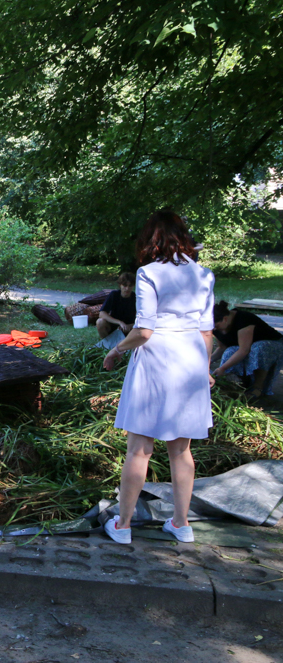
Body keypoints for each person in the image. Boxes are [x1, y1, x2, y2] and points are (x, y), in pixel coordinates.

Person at [102, 209, 215, 546]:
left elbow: (145, 330)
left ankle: (123, 526)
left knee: (139, 449)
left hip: (157, 360)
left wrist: (116, 349)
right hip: (191, 360)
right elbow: (207, 331)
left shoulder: (148, 273)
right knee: (182, 451)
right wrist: (205, 369)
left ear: (151, 240)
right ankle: (181, 524)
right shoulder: (204, 274)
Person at [211, 301, 283, 398]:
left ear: (225, 319)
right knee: (230, 352)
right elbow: (222, 348)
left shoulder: (243, 319)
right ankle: (245, 384)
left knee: (259, 348)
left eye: (216, 326)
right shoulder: (216, 327)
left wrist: (222, 368)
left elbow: (244, 350)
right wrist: (206, 363)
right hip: (249, 349)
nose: (214, 329)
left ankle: (258, 387)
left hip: (271, 346)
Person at [96, 272, 137, 339]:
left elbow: (141, 317)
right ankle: (106, 343)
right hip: (114, 325)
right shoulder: (114, 295)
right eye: (125, 285)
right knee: (100, 322)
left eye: (130, 286)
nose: (127, 289)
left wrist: (130, 325)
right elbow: (102, 313)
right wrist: (119, 322)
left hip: (130, 327)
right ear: (120, 285)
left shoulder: (135, 298)